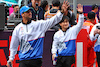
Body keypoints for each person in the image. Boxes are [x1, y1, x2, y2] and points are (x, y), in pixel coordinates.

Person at [6, 1, 70, 67]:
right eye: (27, 12)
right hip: (23, 60)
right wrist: (11, 59)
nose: (30, 13)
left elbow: (52, 21)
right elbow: (14, 45)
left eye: (30, 11)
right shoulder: (18, 29)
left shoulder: (38, 25)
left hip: (36, 60)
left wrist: (61, 12)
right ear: (22, 14)